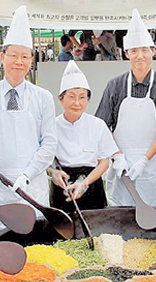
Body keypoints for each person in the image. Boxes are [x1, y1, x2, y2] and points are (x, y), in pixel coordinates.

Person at [0, 6, 57, 238]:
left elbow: (49, 143)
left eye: (25, 56)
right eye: (13, 55)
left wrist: (28, 173)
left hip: (32, 187)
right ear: (2, 56)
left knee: (35, 250)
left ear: (31, 60)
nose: (19, 62)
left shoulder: (43, 97)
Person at [95, 8, 156, 208]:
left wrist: (144, 160)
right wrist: (116, 156)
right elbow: (102, 126)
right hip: (120, 168)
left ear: (153, 51)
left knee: (153, 219)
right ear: (127, 54)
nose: (139, 56)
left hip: (150, 167)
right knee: (119, 219)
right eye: (134, 51)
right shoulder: (114, 86)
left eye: (144, 50)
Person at [48, 60, 118, 215]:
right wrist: (53, 173)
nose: (77, 103)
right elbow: (44, 159)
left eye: (82, 97)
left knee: (95, 230)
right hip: (62, 185)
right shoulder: (51, 126)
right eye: (71, 96)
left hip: (91, 185)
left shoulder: (97, 125)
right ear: (61, 99)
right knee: (63, 233)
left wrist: (85, 183)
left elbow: (104, 162)